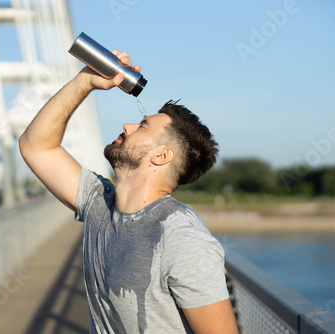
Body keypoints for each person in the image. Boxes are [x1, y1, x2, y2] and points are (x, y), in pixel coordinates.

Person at [19, 49, 239, 334]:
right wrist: (85, 80)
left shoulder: (182, 239)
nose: (128, 125)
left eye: (143, 126)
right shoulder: (98, 202)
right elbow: (36, 145)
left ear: (162, 156)